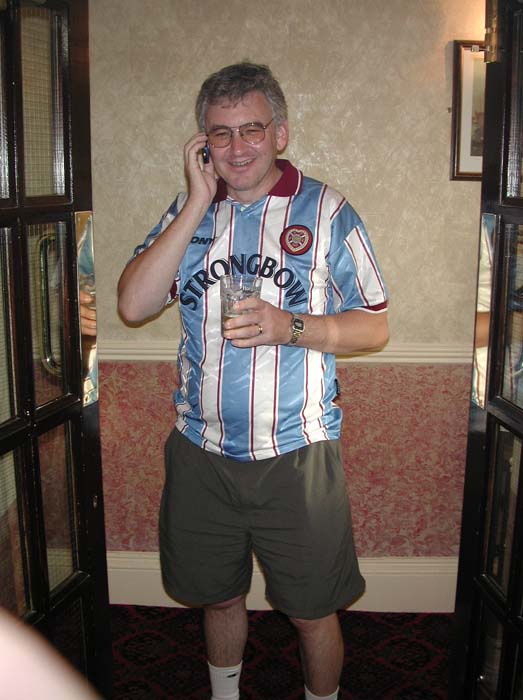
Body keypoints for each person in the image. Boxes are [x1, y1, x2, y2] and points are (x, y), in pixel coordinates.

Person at [118, 62, 388, 700]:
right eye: (221, 133)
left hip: (297, 455)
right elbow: (132, 305)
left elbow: (375, 326)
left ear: (280, 133)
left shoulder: (326, 211)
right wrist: (196, 201)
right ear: (203, 143)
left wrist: (289, 326)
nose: (237, 147)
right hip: (201, 452)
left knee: (311, 610)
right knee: (219, 597)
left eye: (252, 130)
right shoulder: (188, 213)